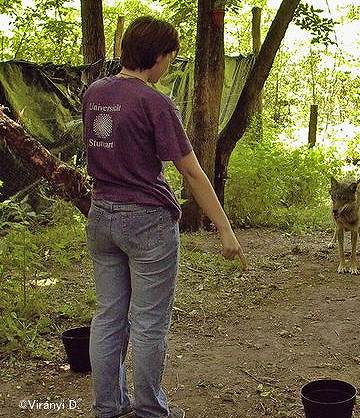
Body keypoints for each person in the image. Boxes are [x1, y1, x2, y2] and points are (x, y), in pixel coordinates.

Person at [82, 16, 246, 418]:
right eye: (171, 56)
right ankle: (150, 411)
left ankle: (108, 407)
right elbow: (191, 170)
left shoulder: (95, 91)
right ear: (158, 56)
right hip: (147, 224)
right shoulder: (154, 101)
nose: (170, 64)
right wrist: (225, 230)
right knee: (149, 322)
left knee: (108, 316)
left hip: (100, 216)